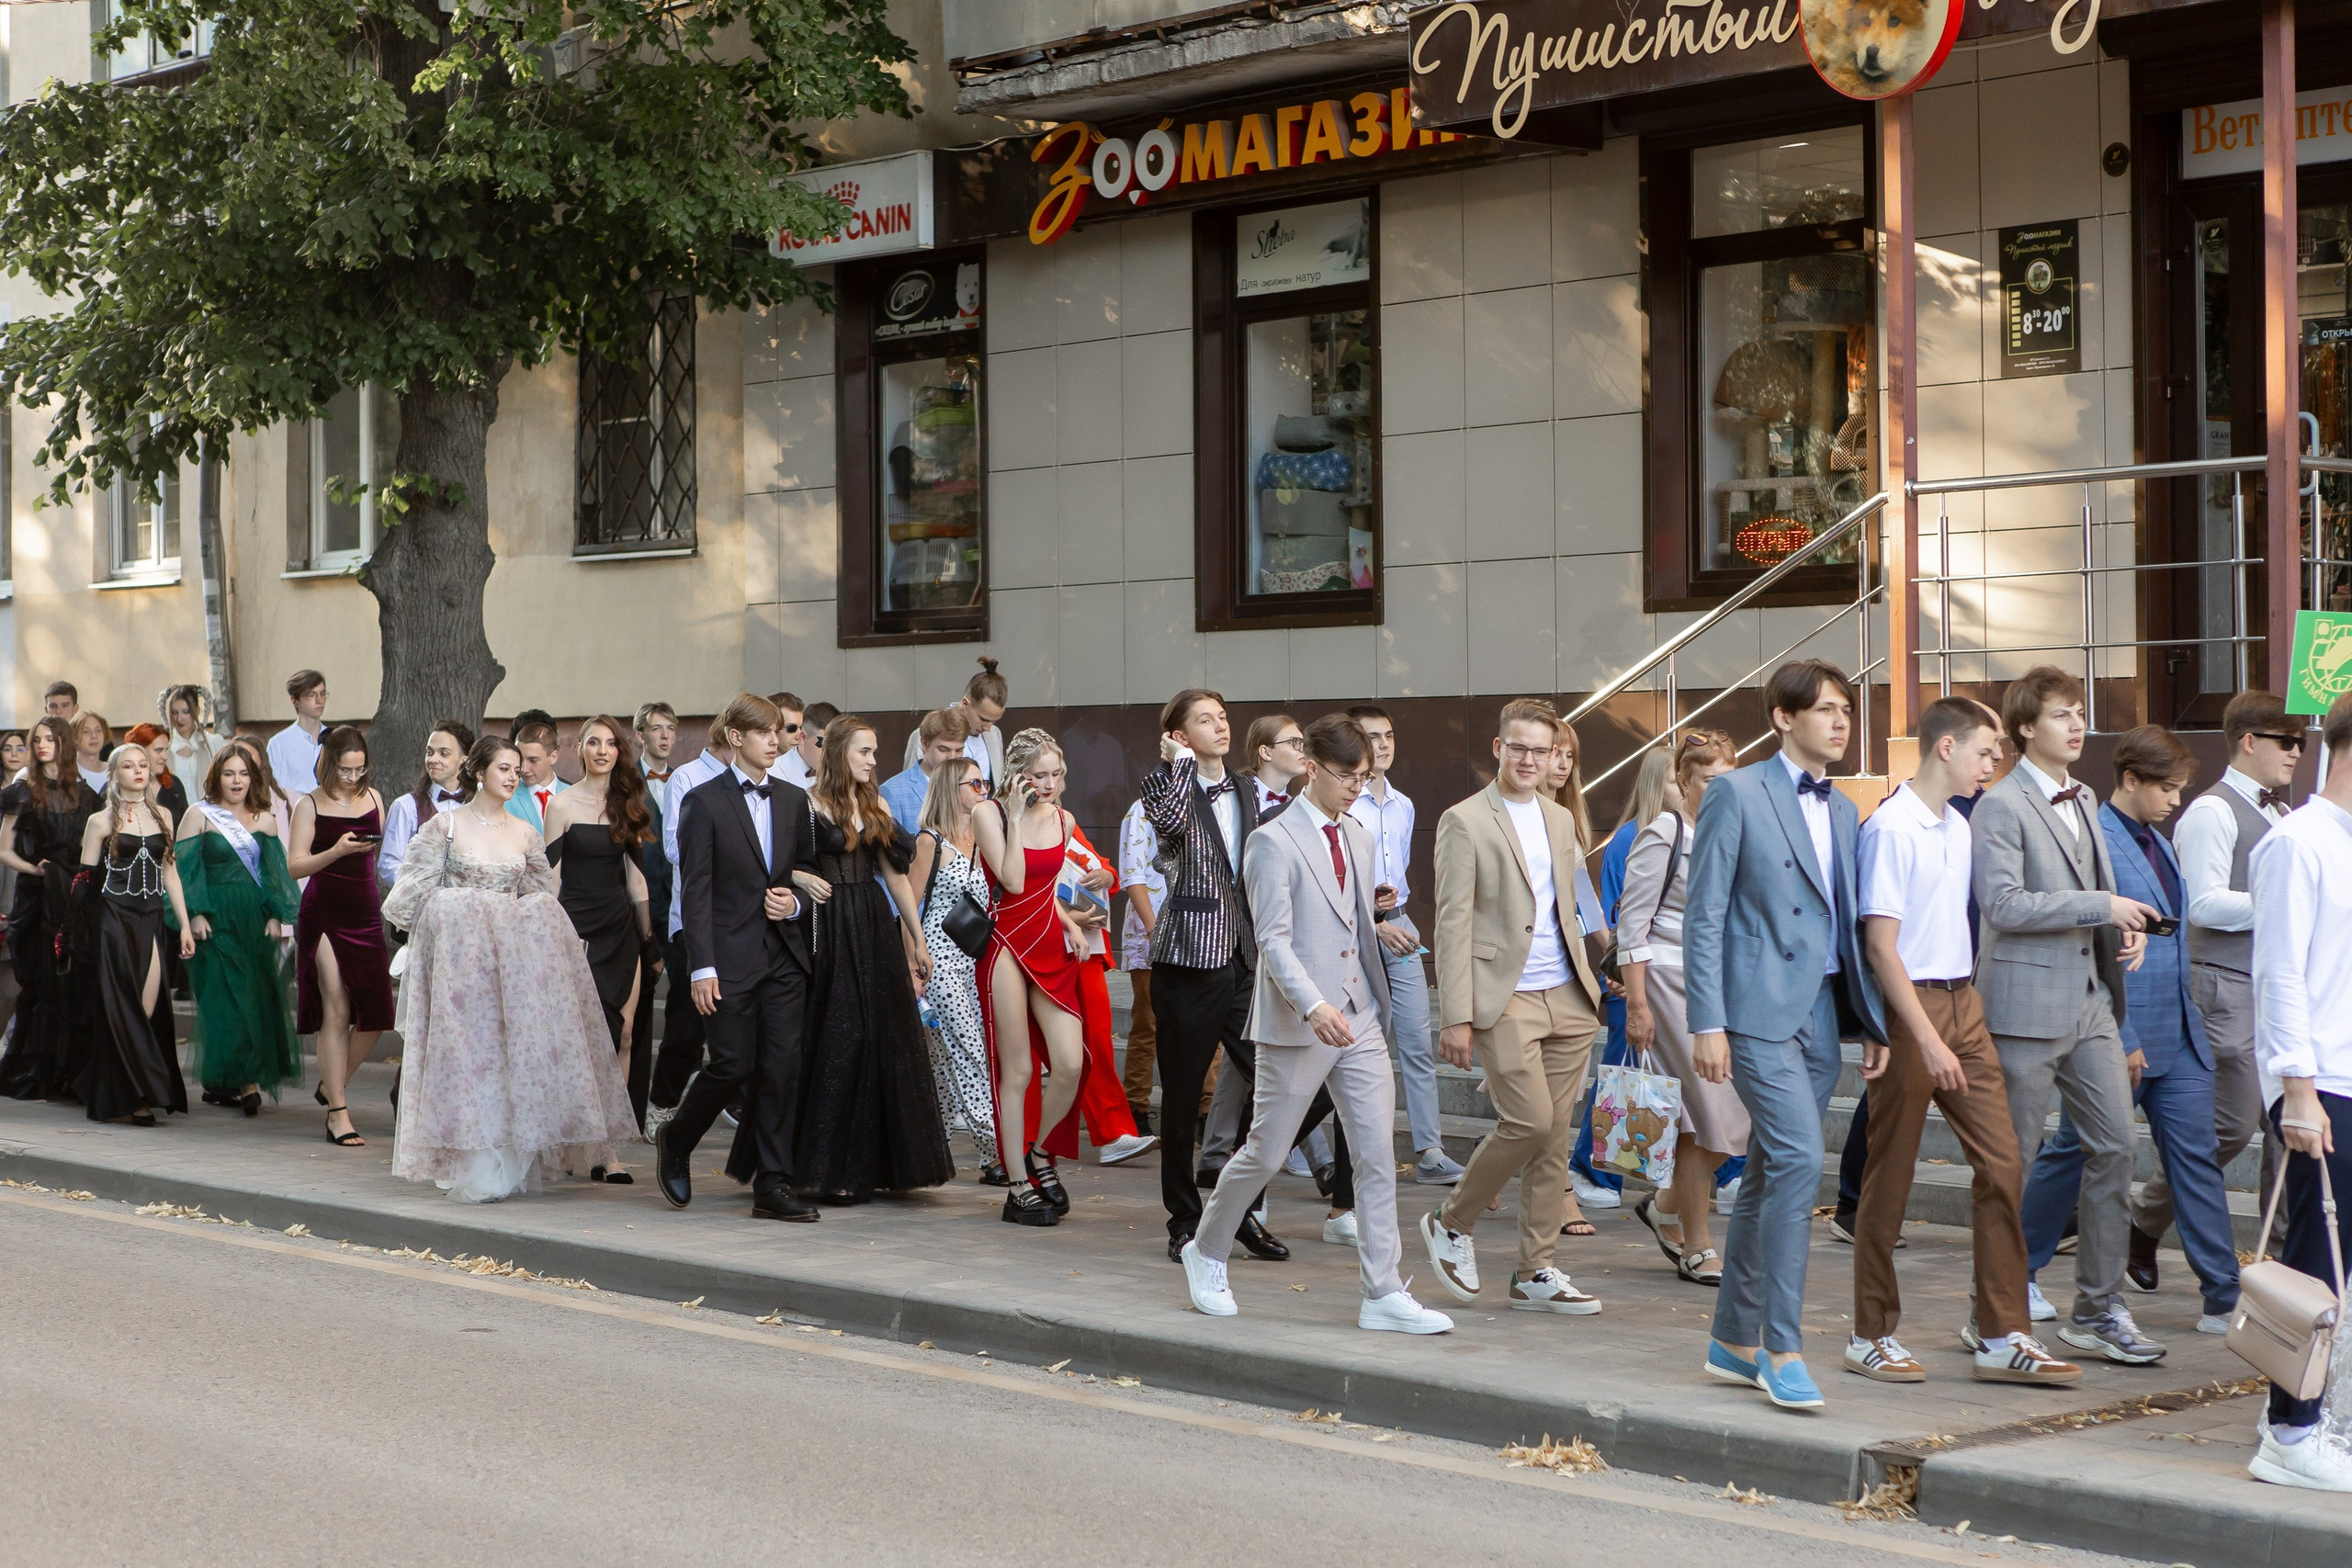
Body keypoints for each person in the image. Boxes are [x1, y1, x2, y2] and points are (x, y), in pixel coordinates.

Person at [1182, 714, 1454, 1335]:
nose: (1357, 786)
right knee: (1266, 1151)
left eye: (1365, 775)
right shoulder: (1271, 841)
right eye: (1345, 775)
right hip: (1299, 1021)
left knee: (1377, 1155)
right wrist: (1312, 1003)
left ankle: (1382, 1289)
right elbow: (1273, 941)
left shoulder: (1357, 836)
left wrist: (1379, 923)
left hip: (1358, 1013)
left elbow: (1348, 921)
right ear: (1312, 768)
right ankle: (1207, 1249)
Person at [1845, 698, 2079, 1386]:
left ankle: (2004, 1333)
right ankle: (1869, 1333)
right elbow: (1880, 948)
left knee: (2004, 1163)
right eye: (1987, 748)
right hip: (1911, 1006)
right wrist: (1925, 1036)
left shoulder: (1958, 824)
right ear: (1945, 747)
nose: (1995, 761)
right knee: (1889, 1175)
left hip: (1962, 999)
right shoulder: (1892, 827)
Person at [1682, 660, 1887, 1412]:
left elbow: (1846, 917)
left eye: (1846, 710)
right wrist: (1706, 1021)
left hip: (1821, 1016)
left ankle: (1729, 1340)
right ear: (1781, 716)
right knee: (1801, 1157)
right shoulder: (1735, 792)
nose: (1840, 721)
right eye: (1825, 709)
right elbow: (1704, 914)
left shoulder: (1842, 808)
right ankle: (1781, 1344)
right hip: (1754, 1013)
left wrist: (1870, 1021)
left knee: (1770, 1172)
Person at [2018, 724, 2242, 1337]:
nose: (2175, 799)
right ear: (2131, 779)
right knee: (2075, 1149)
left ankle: (2223, 1295)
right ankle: (2019, 1269)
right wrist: (2122, 1031)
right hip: (2120, 1026)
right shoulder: (2098, 838)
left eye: (2180, 788)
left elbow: (2168, 929)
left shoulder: (2159, 840)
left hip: (2182, 1027)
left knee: (2195, 1158)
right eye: (2166, 787)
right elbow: (2094, 944)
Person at [1973, 666, 2164, 1366]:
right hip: (2022, 1008)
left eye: (2080, 711)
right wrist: (2100, 907)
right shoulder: (2000, 803)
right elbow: (2004, 905)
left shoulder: (2083, 796)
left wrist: (2122, 925)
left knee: (2115, 1146)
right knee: (2011, 1164)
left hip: (2090, 1000)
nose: (2077, 724)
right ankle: (1991, 1311)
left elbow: (2095, 890)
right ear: (2025, 727)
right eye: (2061, 714)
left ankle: (2098, 1307)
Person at [1415, 700, 1608, 1318]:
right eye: (1518, 747)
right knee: (1527, 1121)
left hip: (1570, 996)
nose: (1529, 759)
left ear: (1555, 755)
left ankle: (1536, 1269)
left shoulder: (1559, 817)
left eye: (1541, 750)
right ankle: (1452, 1218)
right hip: (1506, 995)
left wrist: (1612, 972)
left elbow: (1578, 905)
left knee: (1554, 1138)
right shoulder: (1464, 820)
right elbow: (1451, 922)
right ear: (1498, 749)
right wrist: (1456, 1013)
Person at [381, 735, 637, 1200]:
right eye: (504, 768)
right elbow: (408, 899)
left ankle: (506, 1154)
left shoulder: (524, 831)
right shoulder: (447, 826)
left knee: (506, 1056)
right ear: (479, 772)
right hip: (462, 967)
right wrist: (456, 912)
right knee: (469, 1058)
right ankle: (472, 1156)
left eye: (517, 770)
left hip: (511, 966)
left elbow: (541, 896)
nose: (512, 776)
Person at [1136, 690, 1294, 1262]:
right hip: (1188, 961)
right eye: (1204, 720)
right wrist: (1178, 765)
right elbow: (1174, 825)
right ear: (1178, 735)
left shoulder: (1253, 790)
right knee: (1180, 1102)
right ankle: (1184, 1219)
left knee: (1279, 1082)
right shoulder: (1163, 784)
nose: (1221, 727)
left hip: (1248, 960)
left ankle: (1239, 1207)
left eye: (1223, 717)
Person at [2243, 691, 2352, 1494]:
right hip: (2323, 1083)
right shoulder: (2298, 842)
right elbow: (2279, 973)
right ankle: (2289, 1431)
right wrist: (2298, 1092)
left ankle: (2322, 1419)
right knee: (2314, 1274)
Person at [657, 694, 820, 1223]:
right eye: (764, 733)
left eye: (780, 733)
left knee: (783, 1069)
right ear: (736, 738)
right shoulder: (702, 801)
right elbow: (695, 890)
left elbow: (804, 873)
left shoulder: (795, 800)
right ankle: (677, 1137)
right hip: (725, 957)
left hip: (783, 957)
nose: (776, 742)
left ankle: (774, 1183)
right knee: (732, 1065)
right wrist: (702, 966)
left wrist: (791, 901)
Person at [787, 716, 954, 1203]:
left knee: (879, 1038)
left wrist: (917, 940)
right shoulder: (804, 802)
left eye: (875, 752)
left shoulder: (874, 802)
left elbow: (897, 875)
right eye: (865, 752)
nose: (873, 760)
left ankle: (867, 1166)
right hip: (827, 927)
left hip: (872, 925)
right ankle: (824, 1169)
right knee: (840, 1037)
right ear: (840, 753)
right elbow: (778, 863)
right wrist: (800, 878)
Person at [2168, 688, 2301, 1280]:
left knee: (2287, 1125)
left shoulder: (2282, 811)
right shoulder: (2211, 811)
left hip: (2275, 984)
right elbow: (2202, 904)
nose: (2296, 752)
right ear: (2249, 742)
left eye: (2299, 741)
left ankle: (2282, 1258)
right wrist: (2279, 905)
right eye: (2286, 742)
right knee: (2234, 1124)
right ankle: (2145, 1217)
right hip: (2223, 981)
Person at [1620, 730, 1747, 1285]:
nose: (1718, 790)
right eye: (1708, 780)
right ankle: (1698, 1243)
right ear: (1683, 782)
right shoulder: (1665, 831)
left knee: (1731, 1118)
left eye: (1727, 779)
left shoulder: (1737, 832)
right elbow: (1632, 925)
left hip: (1723, 987)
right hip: (1671, 984)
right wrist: (1639, 1004)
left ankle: (1666, 1205)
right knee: (1704, 1119)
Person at [971, 728, 1096, 1226]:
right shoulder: (990, 813)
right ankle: (1017, 1183)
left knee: (1070, 1063)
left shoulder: (1066, 820)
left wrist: (1071, 923)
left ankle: (1042, 1152)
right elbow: (1014, 881)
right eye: (1038, 775)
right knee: (1018, 1070)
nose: (1048, 784)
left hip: (1047, 938)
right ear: (1018, 776)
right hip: (1003, 943)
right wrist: (1019, 817)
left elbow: (1046, 892)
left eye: (1055, 774)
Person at [1340, 705, 1456, 1188]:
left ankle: (1430, 1151)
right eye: (1372, 737)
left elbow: (1400, 872)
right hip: (1350, 926)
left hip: (1398, 923)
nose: (1383, 745)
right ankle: (1316, 1148)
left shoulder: (1404, 805)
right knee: (1344, 1041)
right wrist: (1370, 916)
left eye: (1389, 735)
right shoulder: (1344, 801)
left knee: (1414, 1036)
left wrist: (1389, 914)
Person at [1197, 714, 1307, 1181]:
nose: (1304, 749)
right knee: (1258, 1048)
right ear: (1265, 751)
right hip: (1243, 937)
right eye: (1294, 741)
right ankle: (1308, 1157)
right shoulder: (1238, 798)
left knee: (1248, 1054)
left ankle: (1217, 1153)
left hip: (1289, 934)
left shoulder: (1302, 802)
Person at [544, 715, 657, 1156]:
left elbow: (637, 881)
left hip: (620, 929)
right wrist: (552, 937)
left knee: (625, 1033)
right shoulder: (562, 805)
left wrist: (650, 943)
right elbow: (550, 879)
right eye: (594, 742)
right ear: (582, 750)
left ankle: (608, 1144)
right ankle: (576, 1136)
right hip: (577, 930)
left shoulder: (627, 802)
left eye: (611, 743)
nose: (603, 750)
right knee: (584, 1037)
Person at [1572, 749, 1677, 1213]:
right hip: (1631, 980)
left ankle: (1724, 1171)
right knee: (1619, 1078)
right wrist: (1622, 978)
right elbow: (1622, 917)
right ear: (1661, 783)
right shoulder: (1631, 838)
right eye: (1681, 778)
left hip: (1671, 978)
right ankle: (1590, 1169)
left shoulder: (1691, 832)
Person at [175, 746, 302, 1113]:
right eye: (229, 773)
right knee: (226, 1000)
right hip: (214, 920)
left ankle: (230, 1080)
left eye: (243, 773)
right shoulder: (198, 815)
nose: (237, 781)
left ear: (254, 778)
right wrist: (193, 915)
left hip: (253, 919)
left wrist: (277, 916)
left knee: (253, 996)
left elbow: (274, 875)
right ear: (217, 777)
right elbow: (184, 872)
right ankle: (245, 1083)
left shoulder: (264, 820)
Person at [75, 745, 196, 1125]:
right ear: (115, 774)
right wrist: (75, 932)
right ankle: (139, 1096)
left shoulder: (163, 815)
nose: (139, 771)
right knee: (120, 1006)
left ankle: (119, 1084)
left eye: (143, 764)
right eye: (129, 765)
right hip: (113, 917)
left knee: (145, 1006)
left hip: (151, 918)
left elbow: (170, 873)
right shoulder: (100, 820)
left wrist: (186, 924)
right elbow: (84, 881)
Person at [289, 725, 395, 1148]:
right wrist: (336, 851)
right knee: (336, 1006)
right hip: (325, 911)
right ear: (329, 764)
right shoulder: (309, 805)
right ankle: (338, 1111)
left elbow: (379, 849)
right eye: (346, 770)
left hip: (365, 909)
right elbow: (295, 865)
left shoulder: (373, 798)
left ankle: (331, 1085)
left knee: (378, 1012)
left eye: (359, 769)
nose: (353, 778)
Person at [910, 757, 1003, 1181]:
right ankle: (996, 1154)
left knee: (941, 1066)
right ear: (952, 788)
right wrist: (913, 964)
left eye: (984, 782)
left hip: (976, 961)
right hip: (939, 962)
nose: (983, 789)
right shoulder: (930, 841)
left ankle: (928, 1153)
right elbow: (907, 907)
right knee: (971, 1055)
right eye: (974, 783)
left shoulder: (983, 839)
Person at [0, 717, 101, 1100]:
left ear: (64, 743)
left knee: (74, 981)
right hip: (39, 896)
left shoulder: (87, 793)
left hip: (76, 894)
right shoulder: (24, 790)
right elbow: (3, 849)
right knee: (42, 981)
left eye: (50, 739)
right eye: (36, 740)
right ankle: (38, 1068)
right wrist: (36, 869)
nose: (42, 745)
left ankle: (69, 1070)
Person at [646, 714, 734, 1144]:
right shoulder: (688, 777)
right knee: (686, 1023)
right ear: (732, 737)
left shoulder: (759, 779)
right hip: (693, 920)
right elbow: (673, 847)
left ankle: (734, 1102)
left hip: (742, 922)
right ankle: (662, 1103)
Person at [628, 703, 680, 1130]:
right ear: (640, 735)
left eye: (671, 729)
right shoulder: (628, 784)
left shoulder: (683, 780)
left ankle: (662, 1102)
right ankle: (630, 1100)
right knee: (639, 1009)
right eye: (656, 729)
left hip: (677, 907)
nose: (665, 736)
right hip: (641, 905)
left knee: (681, 1006)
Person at [1115, 794, 1168, 1134]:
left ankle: (1205, 1112)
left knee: (1208, 1028)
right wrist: (1153, 929)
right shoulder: (1143, 807)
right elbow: (1131, 875)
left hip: (1203, 932)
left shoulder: (1213, 799)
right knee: (1147, 1022)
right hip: (1152, 929)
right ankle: (1135, 1109)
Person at [379, 721, 477, 892]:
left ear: (464, 759)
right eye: (429, 752)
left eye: (443, 753)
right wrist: (417, 890)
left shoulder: (476, 805)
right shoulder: (406, 806)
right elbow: (389, 863)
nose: (433, 759)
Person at [901, 656, 1009, 788]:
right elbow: (910, 786)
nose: (988, 727)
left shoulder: (994, 734)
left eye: (994, 721)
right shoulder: (926, 733)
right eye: (983, 719)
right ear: (965, 703)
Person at [881, 707, 967, 837]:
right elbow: (893, 851)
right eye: (943, 749)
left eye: (959, 750)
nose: (952, 757)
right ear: (924, 744)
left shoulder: (969, 784)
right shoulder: (893, 791)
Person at [266, 670, 329, 796]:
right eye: (311, 695)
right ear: (294, 700)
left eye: (322, 694)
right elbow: (272, 790)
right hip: (292, 812)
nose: (319, 700)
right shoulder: (278, 744)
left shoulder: (335, 739)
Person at [504, 721, 568, 834]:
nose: (523, 769)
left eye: (533, 760)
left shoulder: (571, 794)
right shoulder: (506, 796)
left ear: (553, 757)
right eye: (521, 760)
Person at [159, 684, 226, 788]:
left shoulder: (213, 744)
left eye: (186, 712)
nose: (179, 718)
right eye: (174, 712)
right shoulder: (165, 747)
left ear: (197, 711)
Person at [124, 723, 188, 827]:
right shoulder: (118, 787)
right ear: (139, 751)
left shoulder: (174, 785)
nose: (165, 756)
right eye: (158, 750)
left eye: (166, 750)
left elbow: (185, 831)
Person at [776, 699, 836, 791]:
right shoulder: (774, 772)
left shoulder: (843, 772)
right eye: (824, 745)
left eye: (836, 745)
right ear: (803, 738)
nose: (830, 753)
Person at [72, 711, 111, 795]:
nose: (94, 736)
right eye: (86, 731)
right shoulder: (68, 772)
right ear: (74, 737)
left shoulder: (113, 771)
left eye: (98, 730)